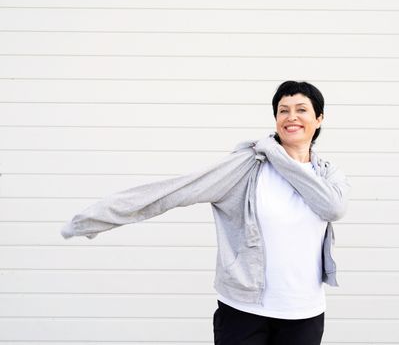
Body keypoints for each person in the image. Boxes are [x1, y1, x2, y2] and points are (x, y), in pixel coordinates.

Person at [61, 80, 351, 345]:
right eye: (283, 110)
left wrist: (276, 153)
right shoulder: (246, 167)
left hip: (304, 313)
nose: (291, 117)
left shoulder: (328, 175)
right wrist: (97, 217)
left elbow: (333, 208)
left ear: (319, 118)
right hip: (244, 310)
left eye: (302, 109)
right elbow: (176, 191)